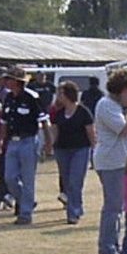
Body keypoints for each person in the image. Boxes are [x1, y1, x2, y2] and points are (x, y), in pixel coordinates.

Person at [92, 69, 127, 254]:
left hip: (125, 162)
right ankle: (107, 250)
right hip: (112, 162)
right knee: (113, 207)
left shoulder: (119, 106)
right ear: (120, 90)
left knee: (122, 207)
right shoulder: (107, 105)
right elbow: (123, 129)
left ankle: (118, 246)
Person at [0, 66, 48, 224]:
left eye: (9, 79)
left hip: (28, 141)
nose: (6, 82)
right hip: (12, 141)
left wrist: (48, 142)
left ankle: (25, 214)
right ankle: (27, 202)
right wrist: (0, 140)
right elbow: (4, 122)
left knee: (27, 179)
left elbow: (43, 121)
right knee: (9, 177)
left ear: (17, 81)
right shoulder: (8, 98)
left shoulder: (32, 97)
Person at [48, 80, 95, 224]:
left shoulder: (83, 111)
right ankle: (77, 206)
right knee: (67, 181)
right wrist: (49, 145)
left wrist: (95, 148)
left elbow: (90, 132)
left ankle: (72, 213)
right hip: (62, 150)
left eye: (61, 93)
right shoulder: (58, 113)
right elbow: (54, 131)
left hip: (80, 149)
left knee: (75, 180)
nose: (58, 96)